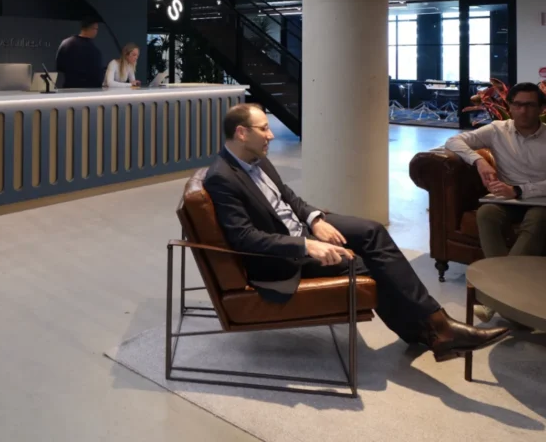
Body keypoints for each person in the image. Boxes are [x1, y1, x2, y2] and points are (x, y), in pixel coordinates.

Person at [204, 103, 509, 362]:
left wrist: (315, 219)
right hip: (281, 259)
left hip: (300, 230)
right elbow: (244, 238)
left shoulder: (256, 159)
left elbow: (287, 196)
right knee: (368, 265)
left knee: (372, 232)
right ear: (241, 133)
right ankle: (437, 329)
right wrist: (306, 246)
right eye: (263, 129)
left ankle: (434, 329)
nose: (271, 135)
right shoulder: (222, 178)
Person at [445, 81, 546, 320]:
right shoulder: (497, 130)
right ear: (509, 106)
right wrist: (478, 161)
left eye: (530, 105)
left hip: (541, 201)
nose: (523, 111)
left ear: (541, 108)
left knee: (538, 218)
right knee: (486, 213)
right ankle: (508, 297)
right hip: (506, 201)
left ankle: (495, 296)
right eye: (518, 104)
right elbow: (454, 142)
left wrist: (520, 191)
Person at [55, 17, 105, 89]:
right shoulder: (94, 50)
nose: (96, 31)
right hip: (89, 92)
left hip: (68, 90)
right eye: (96, 29)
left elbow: (59, 66)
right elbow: (98, 75)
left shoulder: (65, 43)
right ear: (92, 29)